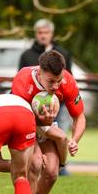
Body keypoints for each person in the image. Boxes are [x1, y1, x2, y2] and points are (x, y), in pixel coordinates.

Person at [11, 50, 86, 194]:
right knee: (36, 164)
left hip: (45, 126)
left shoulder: (66, 80)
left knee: (52, 173)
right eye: (51, 81)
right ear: (39, 72)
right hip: (21, 122)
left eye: (59, 81)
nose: (56, 86)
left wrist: (75, 140)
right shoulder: (23, 79)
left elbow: (80, 117)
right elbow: (20, 119)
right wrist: (49, 133)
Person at [19, 19, 73, 176]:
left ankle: (60, 165)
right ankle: (33, 161)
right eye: (40, 33)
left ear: (52, 34)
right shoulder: (27, 55)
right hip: (33, 105)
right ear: (36, 34)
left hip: (58, 103)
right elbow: (22, 76)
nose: (43, 36)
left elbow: (68, 77)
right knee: (34, 132)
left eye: (46, 32)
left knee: (59, 130)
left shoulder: (63, 53)